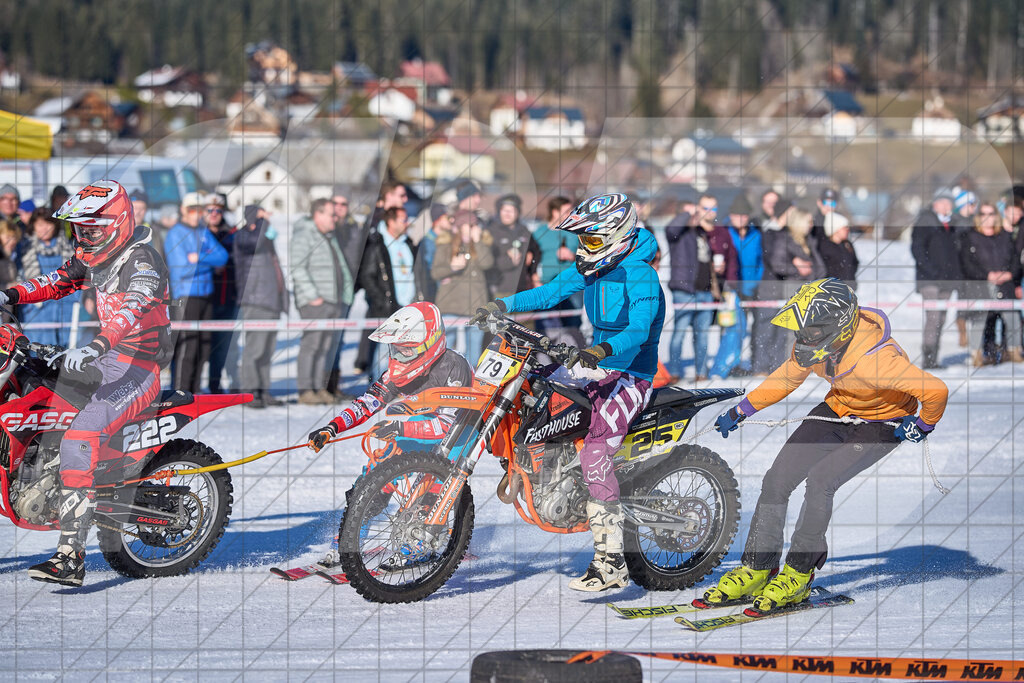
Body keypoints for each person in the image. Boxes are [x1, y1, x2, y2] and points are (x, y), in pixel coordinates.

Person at [706, 278, 948, 615]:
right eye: (801, 331)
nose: (802, 339)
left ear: (838, 328)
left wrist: (922, 425)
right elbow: (787, 376)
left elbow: (935, 390)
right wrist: (743, 409)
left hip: (884, 422)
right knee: (777, 479)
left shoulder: (878, 361)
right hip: (838, 409)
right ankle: (758, 567)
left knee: (820, 481)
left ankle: (798, 575)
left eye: (810, 332)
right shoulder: (816, 343)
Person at [473, 193, 665, 592]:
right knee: (531, 391)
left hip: (629, 372)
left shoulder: (639, 273)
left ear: (618, 234)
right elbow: (549, 293)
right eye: (582, 240)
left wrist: (601, 350)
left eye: (591, 240)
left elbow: (639, 330)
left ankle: (611, 562)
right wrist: (500, 304)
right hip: (591, 363)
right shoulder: (593, 267)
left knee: (595, 453)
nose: (584, 248)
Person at [0, 180, 172, 586]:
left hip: (136, 369)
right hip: (103, 360)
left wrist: (96, 345)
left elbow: (132, 308)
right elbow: (56, 281)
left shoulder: (143, 260)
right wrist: (8, 295)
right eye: (79, 230)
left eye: (91, 229)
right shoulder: (92, 257)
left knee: (79, 437)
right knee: (32, 392)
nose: (84, 237)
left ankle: (70, 557)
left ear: (118, 222)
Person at [306, 302, 473, 568]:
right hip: (421, 425)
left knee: (432, 485)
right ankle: (348, 540)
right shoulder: (400, 370)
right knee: (375, 472)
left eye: (405, 350)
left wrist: (400, 428)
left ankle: (422, 543)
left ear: (428, 345)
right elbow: (369, 401)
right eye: (395, 350)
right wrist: (333, 427)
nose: (398, 356)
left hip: (460, 434)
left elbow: (445, 426)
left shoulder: (455, 367)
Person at [164, 192, 229, 393]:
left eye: (200, 210)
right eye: (192, 210)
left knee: (204, 345)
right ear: (184, 210)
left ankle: (195, 390)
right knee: (187, 346)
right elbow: (181, 269)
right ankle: (180, 390)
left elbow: (222, 257)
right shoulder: (175, 233)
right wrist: (207, 262)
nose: (196, 214)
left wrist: (198, 258)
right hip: (186, 295)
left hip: (206, 294)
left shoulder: (203, 232)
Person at [291, 198, 354, 405]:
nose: (335, 218)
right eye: (331, 214)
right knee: (312, 345)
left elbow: (340, 267)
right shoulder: (304, 235)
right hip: (315, 302)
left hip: (332, 300)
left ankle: (319, 388)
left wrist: (345, 294)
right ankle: (305, 390)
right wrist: (312, 296)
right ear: (317, 214)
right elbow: (297, 267)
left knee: (325, 346)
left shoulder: (328, 236)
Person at [234, 205, 286, 408]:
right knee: (254, 350)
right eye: (262, 218)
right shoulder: (244, 237)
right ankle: (249, 393)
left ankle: (263, 391)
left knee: (266, 350)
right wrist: (262, 222)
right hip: (256, 300)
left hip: (271, 301)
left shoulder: (265, 240)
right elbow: (254, 242)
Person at [358, 206, 418, 379]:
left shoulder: (408, 244)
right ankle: (377, 389)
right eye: (403, 219)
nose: (407, 223)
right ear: (391, 222)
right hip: (385, 308)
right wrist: (381, 300)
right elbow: (367, 276)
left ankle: (398, 387)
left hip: (407, 309)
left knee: (404, 352)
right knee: (381, 352)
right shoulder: (377, 244)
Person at [960, 203, 1022, 366]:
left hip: (1005, 284)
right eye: (983, 213)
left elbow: (1015, 259)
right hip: (981, 285)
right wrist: (987, 275)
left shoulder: (1005, 236)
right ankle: (977, 355)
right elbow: (967, 264)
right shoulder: (970, 237)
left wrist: (1009, 273)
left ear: (996, 216)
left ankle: (1014, 352)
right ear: (978, 217)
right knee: (980, 321)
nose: (988, 217)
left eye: (991, 213)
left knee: (1013, 318)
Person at [666, 194, 718, 381]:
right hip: (684, 291)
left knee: (702, 336)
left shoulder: (703, 233)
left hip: (704, 292)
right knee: (679, 333)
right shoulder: (679, 234)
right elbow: (671, 228)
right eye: (698, 210)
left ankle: (701, 372)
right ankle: (674, 372)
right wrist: (689, 213)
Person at [710, 193, 762, 378]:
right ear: (731, 216)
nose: (741, 219)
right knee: (730, 327)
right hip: (729, 289)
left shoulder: (755, 234)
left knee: (742, 328)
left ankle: (736, 363)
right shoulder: (724, 233)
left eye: (745, 215)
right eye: (738, 215)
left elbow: (759, 262)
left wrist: (754, 283)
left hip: (749, 289)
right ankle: (722, 367)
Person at [433, 209, 494, 362]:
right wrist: (452, 268)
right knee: (444, 350)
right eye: (467, 225)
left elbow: (487, 263)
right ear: (459, 227)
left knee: (474, 352)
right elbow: (435, 272)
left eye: (473, 225)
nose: (471, 229)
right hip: (451, 305)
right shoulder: (445, 246)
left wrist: (478, 241)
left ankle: (471, 381)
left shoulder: (481, 245)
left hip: (476, 306)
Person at [911, 192, 961, 369]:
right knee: (933, 318)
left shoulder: (950, 224)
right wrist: (932, 270)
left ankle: (934, 356)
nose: (949, 207)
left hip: (947, 281)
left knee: (941, 318)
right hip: (930, 280)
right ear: (936, 203)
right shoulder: (926, 221)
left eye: (950, 204)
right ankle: (929, 358)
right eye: (946, 203)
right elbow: (917, 249)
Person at [18, 208, 79, 346]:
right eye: (40, 224)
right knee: (38, 350)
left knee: (67, 349)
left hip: (65, 304)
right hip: (37, 307)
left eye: (48, 224)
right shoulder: (25, 248)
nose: (44, 228)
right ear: (33, 226)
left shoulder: (68, 248)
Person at [532, 196, 586, 347]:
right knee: (545, 327)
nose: (570, 213)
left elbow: (587, 255)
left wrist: (572, 256)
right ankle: (547, 361)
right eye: (567, 210)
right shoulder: (539, 233)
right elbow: (532, 258)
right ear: (555, 212)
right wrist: (535, 279)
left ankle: (575, 357)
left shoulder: (575, 231)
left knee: (573, 324)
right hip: (547, 285)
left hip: (571, 286)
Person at [751, 198, 793, 374]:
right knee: (765, 330)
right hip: (768, 288)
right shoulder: (768, 233)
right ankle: (760, 366)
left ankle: (777, 366)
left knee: (781, 332)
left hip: (782, 289)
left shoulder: (786, 233)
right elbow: (773, 261)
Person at [205, 193, 240, 393]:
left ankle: (216, 385)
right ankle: (192, 387)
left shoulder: (231, 234)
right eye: (210, 210)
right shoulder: (197, 233)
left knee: (224, 346)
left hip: (228, 298)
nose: (214, 214)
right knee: (202, 345)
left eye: (218, 210)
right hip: (204, 299)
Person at [483, 193, 541, 300]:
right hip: (499, 291)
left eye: (511, 210)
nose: (507, 214)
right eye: (504, 210)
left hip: (523, 290)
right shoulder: (490, 232)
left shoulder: (524, 231)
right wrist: (508, 261)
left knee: (525, 316)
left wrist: (531, 263)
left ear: (518, 212)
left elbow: (537, 252)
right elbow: (486, 261)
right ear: (499, 211)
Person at [818, 212, 858, 285]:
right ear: (836, 229)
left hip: (848, 288)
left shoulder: (847, 244)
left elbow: (855, 263)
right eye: (844, 227)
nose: (847, 230)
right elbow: (821, 269)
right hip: (831, 289)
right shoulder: (824, 246)